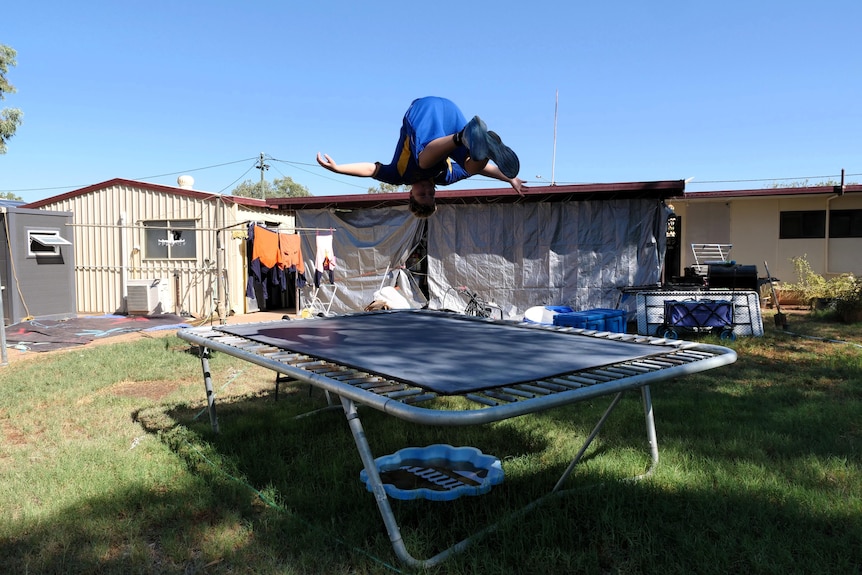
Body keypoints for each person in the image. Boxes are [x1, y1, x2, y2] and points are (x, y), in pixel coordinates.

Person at [316, 96, 525, 217]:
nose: (427, 190)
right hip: (451, 116)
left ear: (410, 194)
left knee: (424, 161)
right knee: (472, 166)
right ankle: (485, 145)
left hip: (424, 111)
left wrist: (339, 169)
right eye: (431, 195)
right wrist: (509, 178)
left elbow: (371, 170)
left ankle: (464, 137)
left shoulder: (399, 176)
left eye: (421, 195)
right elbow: (484, 170)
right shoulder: (444, 177)